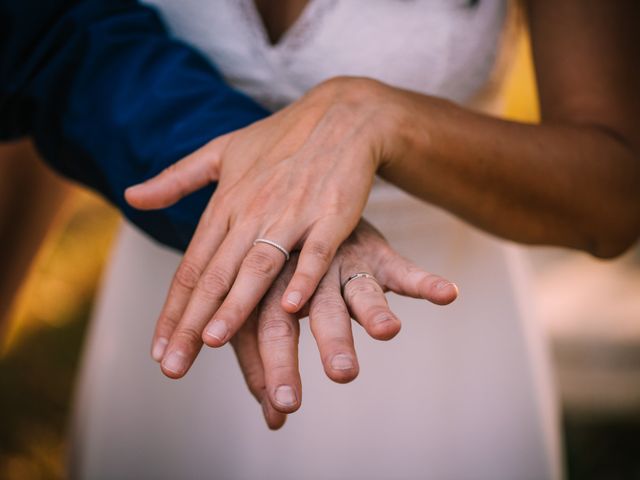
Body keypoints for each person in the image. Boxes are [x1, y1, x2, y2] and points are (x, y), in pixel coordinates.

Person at [78, 0, 640, 477]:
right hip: (183, 295)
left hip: (430, 336)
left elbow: (616, 193)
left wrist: (382, 116)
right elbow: (57, 62)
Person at [1, 0, 458, 476]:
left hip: (438, 305)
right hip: (187, 273)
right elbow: (54, 40)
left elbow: (56, 36)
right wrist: (273, 207)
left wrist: (365, 121)